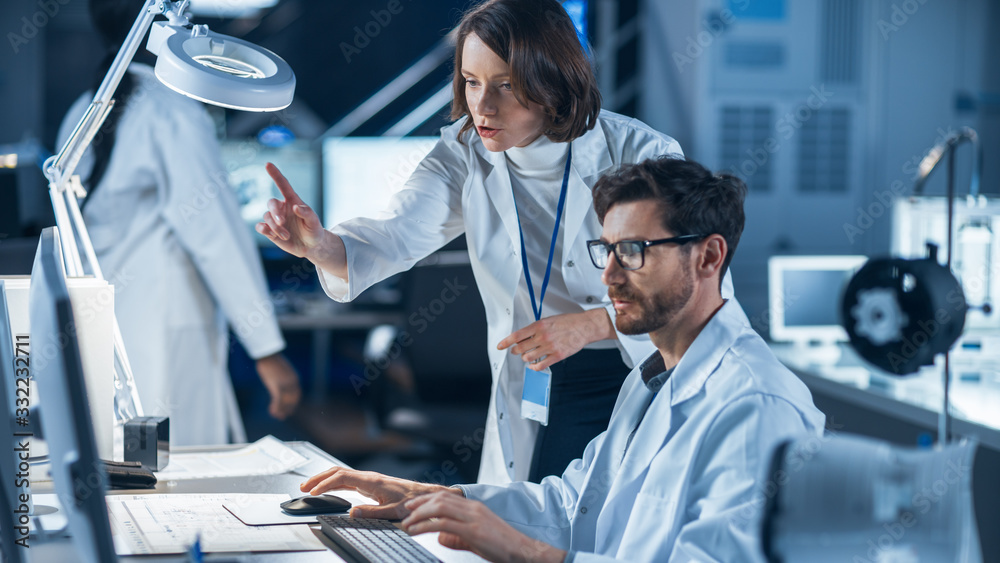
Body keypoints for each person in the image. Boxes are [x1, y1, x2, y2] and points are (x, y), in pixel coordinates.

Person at [259, 0, 733, 485]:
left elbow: (697, 293)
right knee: (524, 525)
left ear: (552, 82)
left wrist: (592, 324)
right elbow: (395, 233)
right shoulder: (466, 153)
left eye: (506, 85)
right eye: (472, 81)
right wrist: (321, 246)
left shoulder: (641, 154)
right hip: (538, 377)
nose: (482, 107)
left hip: (638, 368)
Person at [297, 156, 826, 562]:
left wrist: (519, 552)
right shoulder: (654, 379)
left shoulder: (757, 406)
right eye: (607, 251)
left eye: (635, 252)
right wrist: (431, 496)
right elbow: (571, 505)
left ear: (709, 256)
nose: (609, 277)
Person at [55, 0, 301, 446]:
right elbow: (216, 237)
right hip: (165, 329)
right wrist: (268, 351)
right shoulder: (172, 113)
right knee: (177, 476)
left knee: (127, 474)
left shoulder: (80, 112)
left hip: (106, 332)